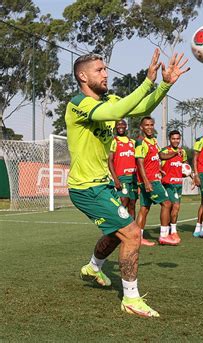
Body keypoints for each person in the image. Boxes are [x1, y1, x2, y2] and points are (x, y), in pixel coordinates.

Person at [68, 49, 189, 318]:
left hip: (103, 185)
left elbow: (142, 108)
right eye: (99, 70)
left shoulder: (108, 99)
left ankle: (93, 267)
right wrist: (148, 81)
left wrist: (165, 84)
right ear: (82, 76)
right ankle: (131, 300)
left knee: (116, 233)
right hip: (86, 188)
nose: (105, 73)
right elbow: (119, 110)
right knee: (132, 233)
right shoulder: (79, 104)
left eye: (105, 69)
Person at [135, 117, 177, 246]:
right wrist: (147, 182)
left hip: (151, 178)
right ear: (141, 127)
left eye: (151, 124)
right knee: (167, 203)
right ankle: (164, 236)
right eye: (146, 125)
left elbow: (161, 156)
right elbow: (140, 163)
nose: (149, 127)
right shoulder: (140, 142)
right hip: (150, 180)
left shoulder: (153, 141)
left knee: (144, 208)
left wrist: (174, 153)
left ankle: (138, 238)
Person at [159, 130, 188, 244]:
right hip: (168, 183)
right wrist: (175, 153)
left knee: (175, 207)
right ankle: (170, 232)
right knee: (174, 206)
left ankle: (171, 230)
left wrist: (191, 175)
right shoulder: (165, 150)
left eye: (177, 138)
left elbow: (185, 166)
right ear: (169, 139)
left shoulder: (183, 152)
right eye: (173, 139)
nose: (176, 141)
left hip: (179, 183)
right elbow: (161, 157)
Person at [108, 119, 138, 219]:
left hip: (133, 178)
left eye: (122, 124)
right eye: (118, 124)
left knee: (132, 204)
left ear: (126, 126)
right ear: (116, 127)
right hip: (122, 177)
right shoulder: (114, 141)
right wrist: (116, 179)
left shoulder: (133, 142)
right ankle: (116, 229)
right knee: (123, 202)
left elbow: (139, 160)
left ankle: (132, 230)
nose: (120, 126)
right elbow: (110, 161)